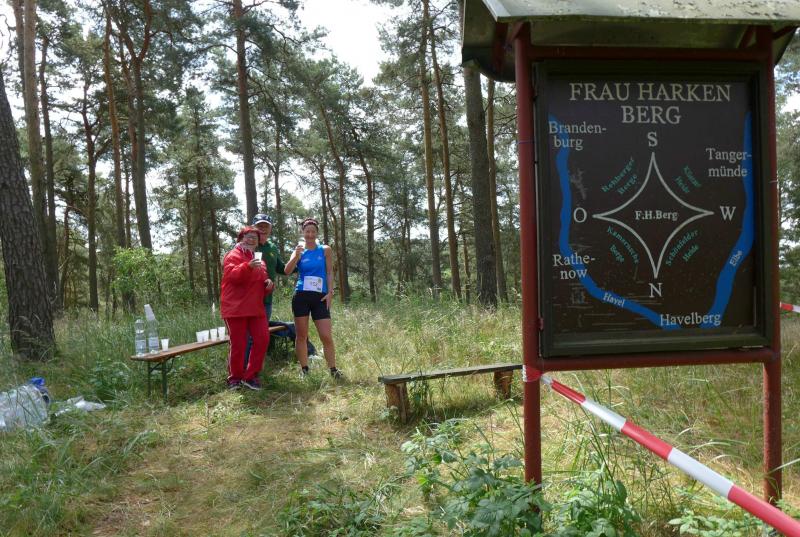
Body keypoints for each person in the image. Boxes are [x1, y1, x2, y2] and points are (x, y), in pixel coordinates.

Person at [284, 218, 341, 378]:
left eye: (313, 231)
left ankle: (333, 370)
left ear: (317, 233)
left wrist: (330, 292)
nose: (310, 234)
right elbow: (287, 271)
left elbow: (329, 272)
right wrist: (296, 256)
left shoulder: (325, 250)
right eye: (307, 231)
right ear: (303, 232)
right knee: (302, 336)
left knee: (326, 336)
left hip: (320, 298)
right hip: (301, 296)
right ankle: (304, 370)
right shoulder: (299, 250)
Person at [220, 226, 274, 390]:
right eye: (248, 236)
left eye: (255, 238)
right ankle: (235, 378)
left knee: (262, 339)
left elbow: (261, 283)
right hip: (235, 308)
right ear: (241, 239)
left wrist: (268, 285)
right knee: (239, 344)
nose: (251, 240)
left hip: (256, 308)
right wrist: (248, 266)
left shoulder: (260, 261)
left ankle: (250, 376)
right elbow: (233, 277)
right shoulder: (233, 255)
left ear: (258, 243)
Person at [244, 213, 290, 364]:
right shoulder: (247, 245)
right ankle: (244, 369)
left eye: (266, 226)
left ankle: (255, 368)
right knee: (248, 336)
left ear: (270, 229)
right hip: (249, 299)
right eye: (260, 226)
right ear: (253, 227)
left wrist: (299, 261)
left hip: (266, 300)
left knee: (260, 335)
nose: (263, 229)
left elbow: (282, 269)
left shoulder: (272, 247)